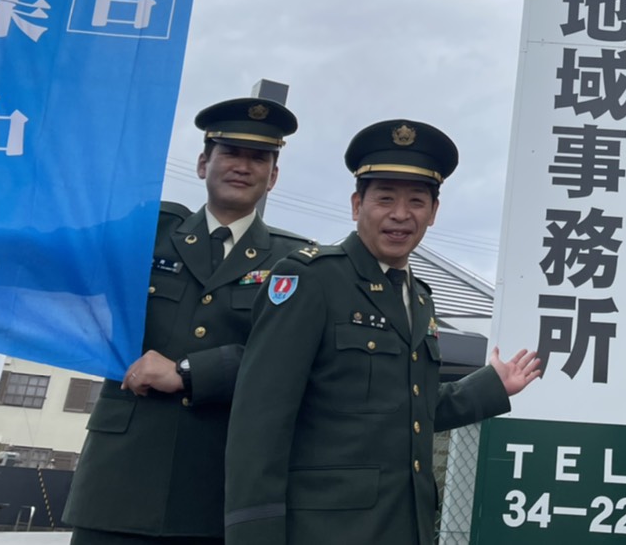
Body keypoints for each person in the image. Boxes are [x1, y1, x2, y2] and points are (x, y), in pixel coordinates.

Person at [223, 119, 542, 545]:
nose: (400, 214)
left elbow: (407, 411)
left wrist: (489, 386)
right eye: (385, 198)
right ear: (357, 205)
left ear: (434, 212)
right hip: (322, 531)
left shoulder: (420, 297)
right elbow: (259, 422)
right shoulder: (309, 279)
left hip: (403, 526)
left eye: (416, 201)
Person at [65, 97, 307, 545]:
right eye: (231, 152)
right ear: (203, 163)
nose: (243, 166)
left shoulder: (294, 262)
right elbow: (60, 253)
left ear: (273, 177)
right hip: (119, 480)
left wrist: (187, 373)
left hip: (215, 489)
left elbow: (291, 358)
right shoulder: (147, 231)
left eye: (259, 158)